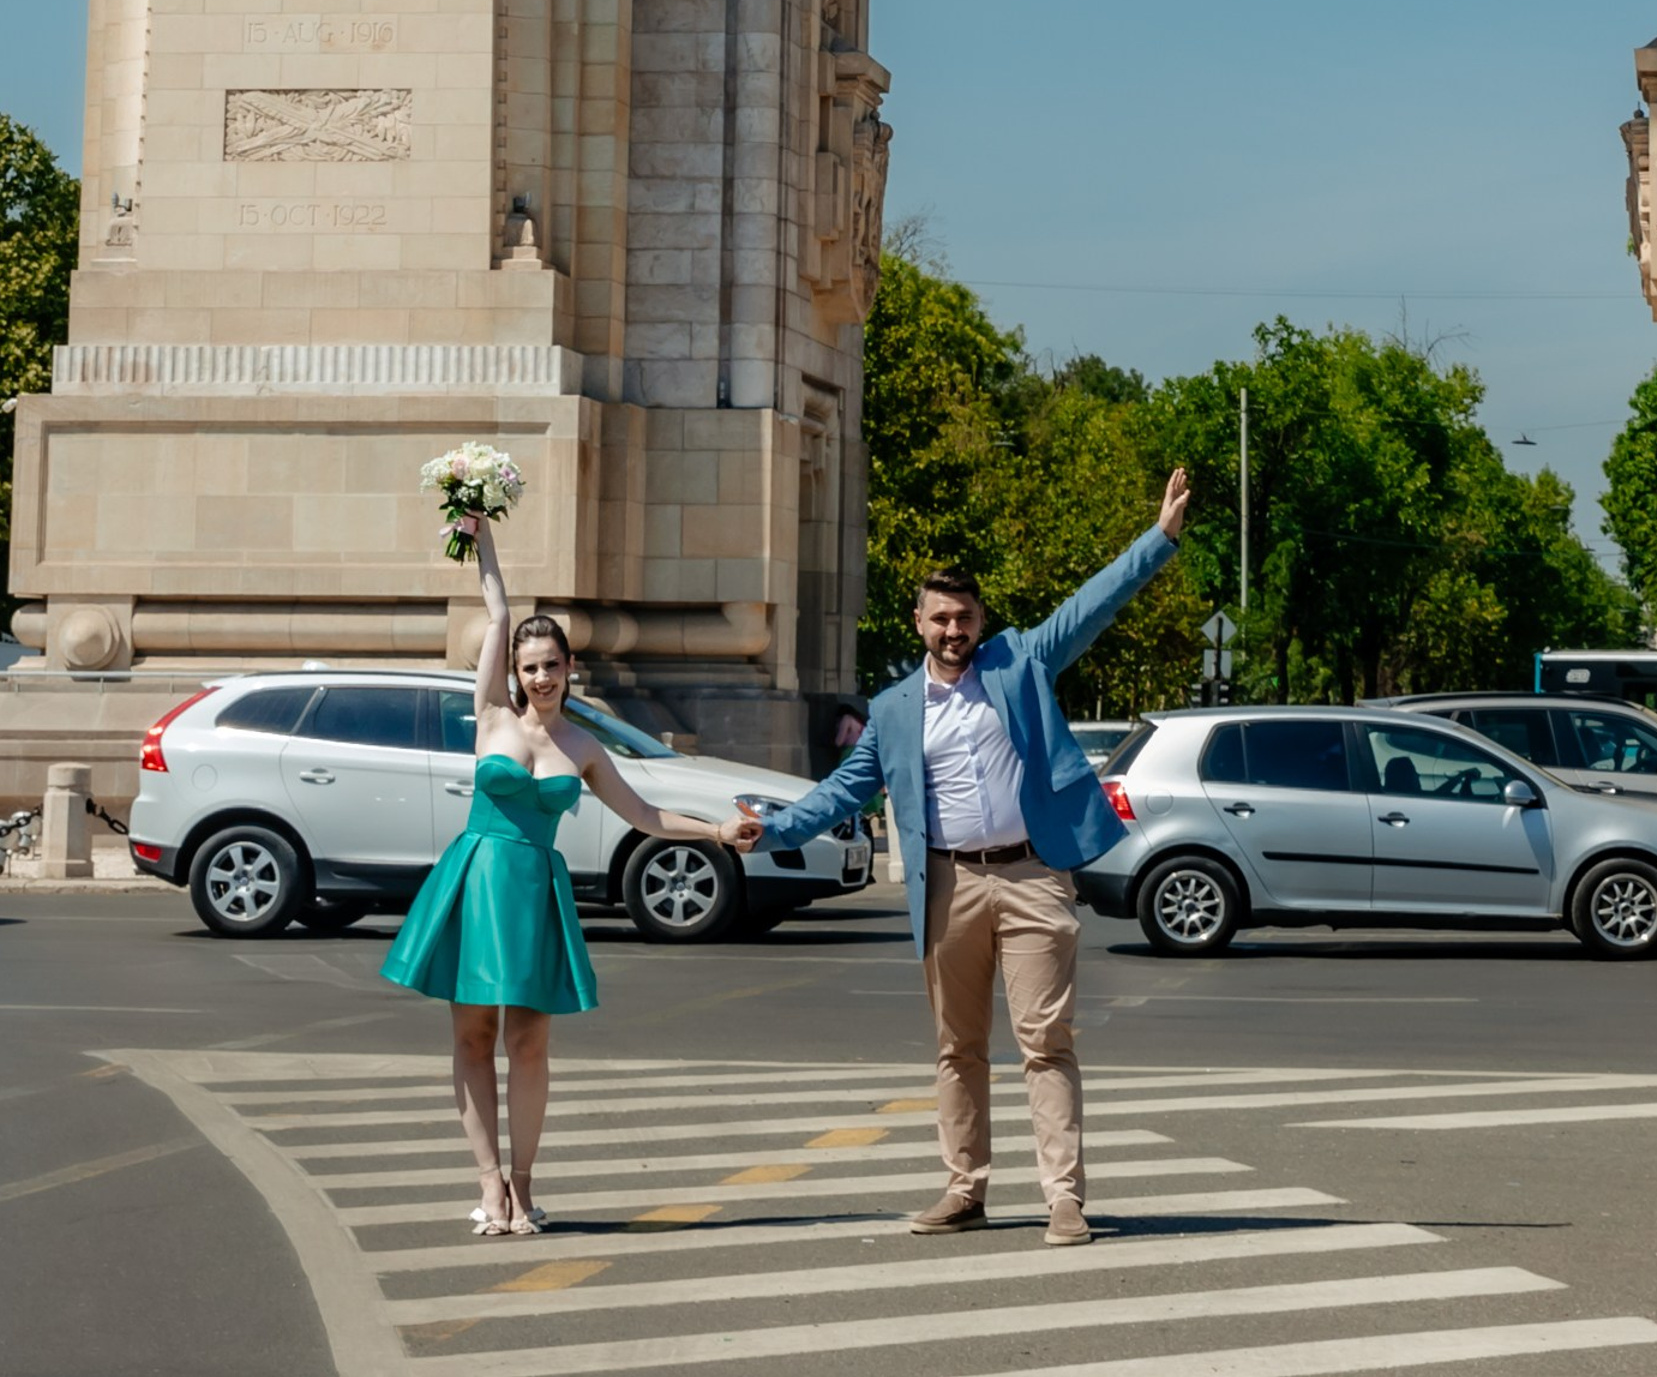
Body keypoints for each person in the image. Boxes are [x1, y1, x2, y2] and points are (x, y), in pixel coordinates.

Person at [739, 470, 1192, 1249]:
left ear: (983, 620)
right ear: (918, 622)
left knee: (1047, 1043)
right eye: (942, 617)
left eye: (967, 617)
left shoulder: (1019, 663)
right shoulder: (892, 710)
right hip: (948, 883)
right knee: (959, 1049)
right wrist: (773, 830)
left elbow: (1094, 605)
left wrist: (1160, 540)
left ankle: (1064, 1199)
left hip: (1031, 875)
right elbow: (846, 790)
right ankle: (965, 1191)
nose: (955, 630)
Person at [380, 516, 758, 1238]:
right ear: (515, 674)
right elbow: (496, 610)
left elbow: (644, 813)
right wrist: (481, 532)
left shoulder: (583, 745)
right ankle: (488, 1184)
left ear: (569, 669)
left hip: (532, 894)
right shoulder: (490, 716)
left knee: (528, 1042)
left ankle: (524, 1186)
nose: (542, 677)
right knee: (471, 1038)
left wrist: (716, 832)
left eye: (553, 665)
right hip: (479, 878)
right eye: (531, 667)